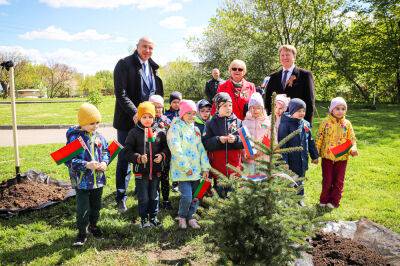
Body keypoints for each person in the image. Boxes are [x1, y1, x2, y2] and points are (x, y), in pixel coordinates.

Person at [113, 37, 163, 212]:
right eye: (144, 47)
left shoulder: (153, 68)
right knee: (125, 158)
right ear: (137, 47)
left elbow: (155, 95)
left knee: (147, 155)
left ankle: (141, 190)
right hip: (128, 120)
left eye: (150, 47)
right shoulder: (124, 64)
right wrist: (136, 113)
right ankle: (120, 196)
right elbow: (121, 93)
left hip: (149, 123)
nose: (147, 50)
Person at [65, 103, 110, 246]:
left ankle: (93, 225)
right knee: (83, 208)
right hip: (82, 181)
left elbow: (105, 152)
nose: (95, 126)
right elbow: (69, 160)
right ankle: (82, 232)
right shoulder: (75, 139)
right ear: (83, 123)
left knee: (96, 206)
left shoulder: (100, 137)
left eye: (97, 122)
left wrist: (104, 162)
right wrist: (86, 165)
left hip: (98, 180)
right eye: (91, 123)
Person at [124, 102, 170, 228]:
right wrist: (138, 158)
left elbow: (166, 148)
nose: (147, 120)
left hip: (156, 171)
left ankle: (153, 217)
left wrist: (162, 156)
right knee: (143, 196)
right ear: (139, 117)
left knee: (154, 195)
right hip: (141, 172)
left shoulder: (160, 132)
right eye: (144, 117)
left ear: (154, 117)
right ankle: (144, 219)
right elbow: (127, 151)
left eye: (150, 117)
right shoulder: (134, 133)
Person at [167, 100, 211, 229]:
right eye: (188, 113)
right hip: (183, 170)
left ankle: (190, 216)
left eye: (193, 113)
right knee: (186, 196)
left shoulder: (195, 129)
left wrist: (205, 167)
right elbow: (176, 149)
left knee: (196, 195)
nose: (192, 116)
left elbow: (201, 149)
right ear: (182, 114)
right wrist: (186, 167)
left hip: (196, 170)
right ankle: (182, 216)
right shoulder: (175, 128)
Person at [315, 97, 358, 209]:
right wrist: (315, 154)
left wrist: (353, 148)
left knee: (339, 181)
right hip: (327, 157)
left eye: (343, 109)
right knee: (327, 180)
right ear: (331, 110)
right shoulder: (325, 122)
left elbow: (352, 139)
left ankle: (334, 202)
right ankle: (324, 200)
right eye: (337, 108)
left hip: (342, 157)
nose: (340, 111)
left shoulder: (347, 124)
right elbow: (319, 138)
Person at [204, 92, 243, 197]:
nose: (228, 108)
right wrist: (218, 140)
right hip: (218, 169)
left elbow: (245, 143)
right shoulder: (211, 123)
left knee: (234, 195)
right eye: (225, 105)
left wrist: (235, 139)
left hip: (234, 168)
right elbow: (206, 144)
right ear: (217, 107)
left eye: (230, 105)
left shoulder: (238, 122)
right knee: (220, 195)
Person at [278, 98, 319, 199]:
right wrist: (284, 162)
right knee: (290, 181)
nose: (302, 113)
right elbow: (282, 144)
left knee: (300, 180)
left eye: (303, 111)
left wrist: (314, 156)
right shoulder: (285, 125)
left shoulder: (305, 124)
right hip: (291, 161)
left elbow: (310, 141)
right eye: (299, 111)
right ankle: (288, 201)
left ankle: (299, 199)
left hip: (302, 160)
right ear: (292, 111)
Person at [264, 45, 315, 125]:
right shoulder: (273, 77)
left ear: (294, 56)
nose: (285, 57)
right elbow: (267, 101)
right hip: (276, 123)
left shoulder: (305, 75)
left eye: (287, 55)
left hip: (297, 123)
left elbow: (310, 102)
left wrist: (307, 124)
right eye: (282, 55)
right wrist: (269, 121)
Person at [148, 94, 173, 210]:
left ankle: (166, 200)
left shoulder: (167, 120)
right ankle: (155, 199)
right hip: (152, 156)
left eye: (160, 107)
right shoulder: (147, 121)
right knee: (154, 180)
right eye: (155, 106)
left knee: (165, 178)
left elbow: (172, 135)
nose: (158, 109)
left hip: (165, 155)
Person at [242, 92, 270, 174]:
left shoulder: (267, 122)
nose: (255, 110)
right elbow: (242, 140)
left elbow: (272, 139)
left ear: (262, 108)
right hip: (249, 159)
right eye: (252, 108)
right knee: (250, 182)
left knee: (263, 182)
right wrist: (245, 152)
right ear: (249, 108)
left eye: (258, 108)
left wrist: (261, 151)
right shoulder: (245, 123)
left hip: (263, 158)